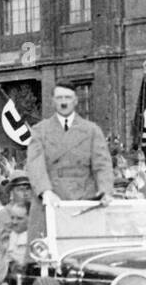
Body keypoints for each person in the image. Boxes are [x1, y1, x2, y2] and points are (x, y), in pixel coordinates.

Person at [27, 83, 113, 239]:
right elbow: (35, 165)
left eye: (68, 97)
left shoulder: (92, 130)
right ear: (53, 101)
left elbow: (102, 165)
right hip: (52, 198)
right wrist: (45, 191)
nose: (63, 102)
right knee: (46, 252)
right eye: (59, 98)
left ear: (76, 101)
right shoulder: (40, 130)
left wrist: (105, 190)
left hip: (85, 199)